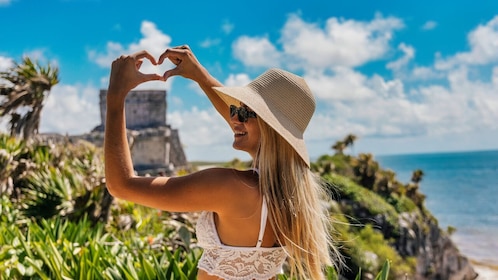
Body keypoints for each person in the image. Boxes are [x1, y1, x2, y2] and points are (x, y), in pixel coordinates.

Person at [104, 46, 341, 280]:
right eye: (236, 109)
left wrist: (115, 96)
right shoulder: (289, 196)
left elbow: (121, 185)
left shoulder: (229, 186)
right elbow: (246, 127)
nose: (235, 118)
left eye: (247, 113)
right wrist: (200, 76)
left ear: (272, 130)